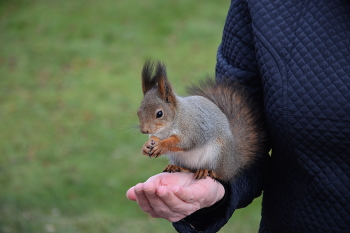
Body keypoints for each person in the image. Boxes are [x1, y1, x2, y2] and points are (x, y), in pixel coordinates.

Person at [127, 0, 350, 232]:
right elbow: (247, 111)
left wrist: (163, 145)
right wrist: (217, 193)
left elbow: (187, 141)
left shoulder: (182, 120)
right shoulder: (261, 7)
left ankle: (211, 168)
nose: (144, 128)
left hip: (210, 147)